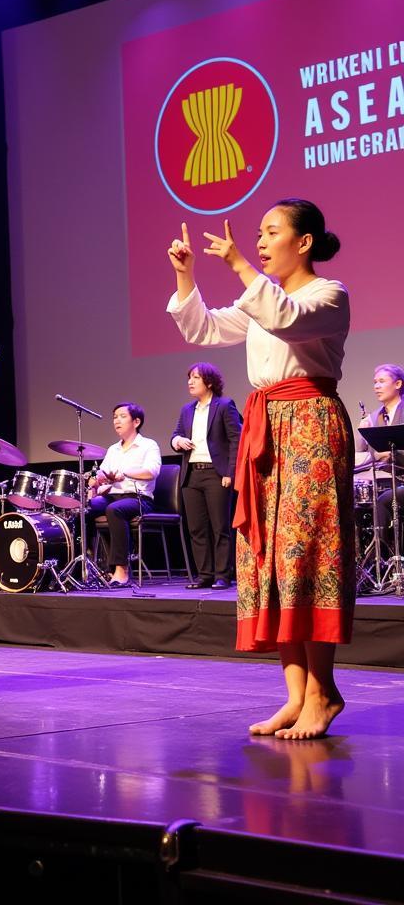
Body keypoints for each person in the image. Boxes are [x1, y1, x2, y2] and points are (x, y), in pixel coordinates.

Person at [167, 197, 353, 739]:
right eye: (259, 234)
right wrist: (186, 277)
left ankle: (324, 691)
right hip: (266, 429)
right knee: (270, 558)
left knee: (307, 555)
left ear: (304, 242)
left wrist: (238, 266)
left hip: (310, 424)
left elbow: (287, 321)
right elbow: (202, 329)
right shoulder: (261, 298)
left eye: (272, 232)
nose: (262, 242)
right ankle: (295, 696)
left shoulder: (328, 294)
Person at [171, 362, 241, 590]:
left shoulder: (224, 405)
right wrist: (177, 441)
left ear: (209, 382)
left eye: (195, 378)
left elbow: (236, 441)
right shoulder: (186, 410)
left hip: (216, 474)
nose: (190, 382)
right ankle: (205, 575)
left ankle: (223, 575)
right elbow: (175, 435)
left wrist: (230, 473)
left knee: (220, 527)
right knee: (197, 528)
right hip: (191, 475)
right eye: (189, 378)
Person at [86, 403, 161, 587]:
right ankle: (88, 562)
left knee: (114, 510)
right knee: (86, 508)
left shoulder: (148, 445)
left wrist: (125, 472)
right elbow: (101, 474)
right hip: (114, 496)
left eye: (122, 416)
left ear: (136, 421)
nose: (116, 420)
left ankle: (121, 569)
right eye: (114, 417)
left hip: (139, 498)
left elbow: (152, 472)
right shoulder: (113, 449)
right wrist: (98, 480)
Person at [355, 363, 404, 544]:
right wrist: (362, 432)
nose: (376, 386)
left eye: (382, 381)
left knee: (384, 500)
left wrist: (393, 454)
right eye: (375, 382)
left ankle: (383, 556)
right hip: (390, 480)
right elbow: (360, 454)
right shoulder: (374, 417)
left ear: (398, 384)